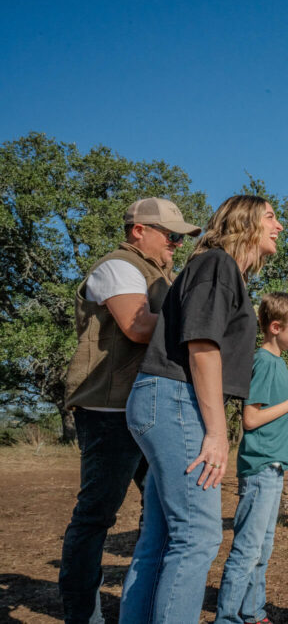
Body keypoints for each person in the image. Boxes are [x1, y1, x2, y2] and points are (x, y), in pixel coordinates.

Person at [119, 195, 283, 624]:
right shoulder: (217, 266)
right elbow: (203, 348)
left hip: (166, 399)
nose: (279, 226)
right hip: (176, 399)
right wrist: (217, 432)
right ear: (244, 222)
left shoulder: (216, 268)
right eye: (271, 217)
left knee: (160, 538)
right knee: (197, 536)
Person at [60, 197, 200, 624]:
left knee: (159, 514)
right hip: (109, 408)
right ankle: (82, 614)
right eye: (171, 234)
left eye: (181, 236)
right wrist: (201, 322)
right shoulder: (118, 267)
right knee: (97, 514)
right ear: (138, 229)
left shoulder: (162, 274)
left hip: (148, 405)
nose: (178, 243)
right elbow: (138, 327)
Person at [215, 292, 288, 624]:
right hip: (260, 468)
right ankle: (228, 618)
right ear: (275, 326)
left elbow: (271, 402)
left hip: (272, 469)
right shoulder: (263, 360)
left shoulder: (276, 364)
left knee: (262, 548)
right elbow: (251, 418)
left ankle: (253, 612)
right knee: (248, 549)